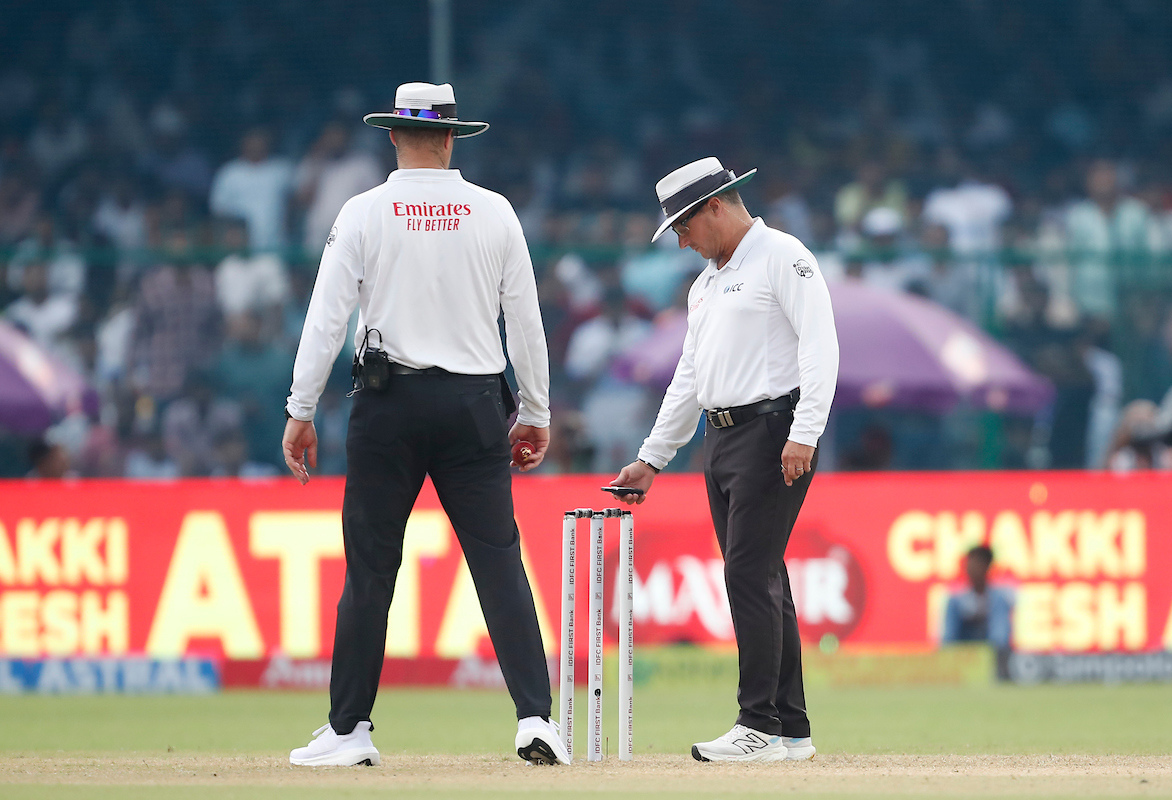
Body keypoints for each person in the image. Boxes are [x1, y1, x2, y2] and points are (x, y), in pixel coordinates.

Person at [283, 83, 568, 767]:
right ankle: (536, 721)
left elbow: (327, 319)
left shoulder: (362, 212)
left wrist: (299, 409)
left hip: (387, 405)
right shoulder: (495, 212)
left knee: (372, 568)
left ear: (392, 137)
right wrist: (535, 411)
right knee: (498, 561)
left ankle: (350, 731)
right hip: (474, 405)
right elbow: (525, 323)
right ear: (451, 138)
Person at [609, 157, 839, 763]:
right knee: (765, 578)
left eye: (684, 227)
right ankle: (791, 729)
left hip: (773, 431)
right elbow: (689, 377)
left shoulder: (783, 256)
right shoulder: (706, 284)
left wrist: (806, 432)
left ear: (715, 206)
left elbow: (821, 347)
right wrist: (652, 459)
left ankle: (755, 724)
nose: (682, 242)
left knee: (747, 574)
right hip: (722, 438)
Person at [942, 545, 1015, 650]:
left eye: (977, 564)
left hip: (992, 657)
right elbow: (948, 638)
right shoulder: (956, 600)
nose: (971, 568)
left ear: (987, 566)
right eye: (969, 564)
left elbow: (1000, 638)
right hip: (963, 656)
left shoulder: (999, 598)